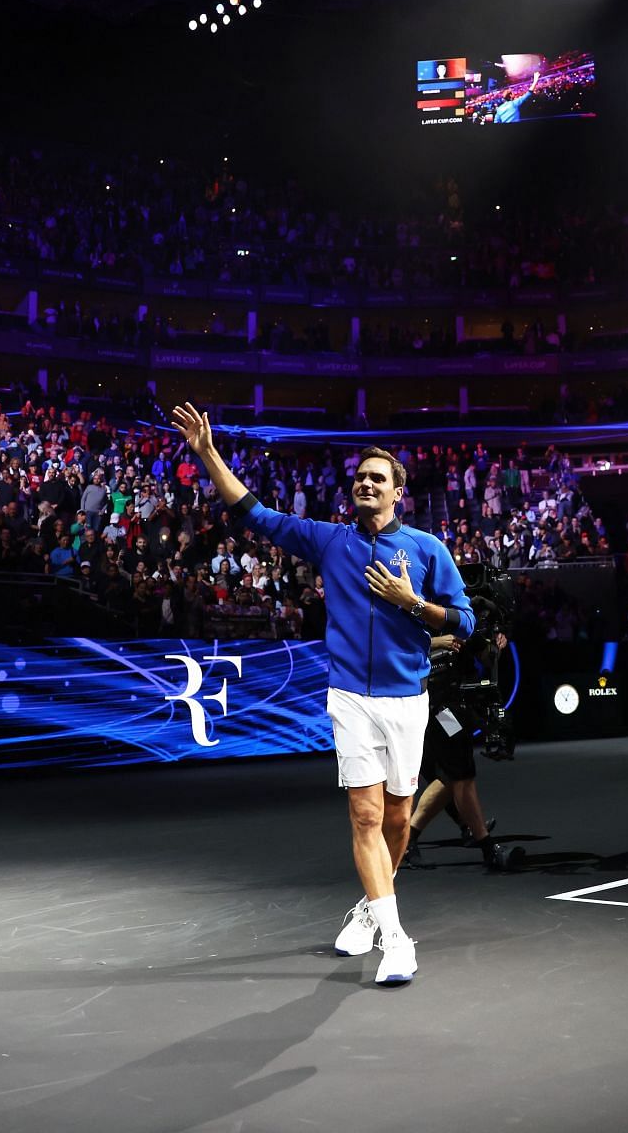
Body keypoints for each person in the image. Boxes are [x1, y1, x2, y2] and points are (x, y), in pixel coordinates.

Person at [171, 402, 473, 985]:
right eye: (359, 477)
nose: (364, 482)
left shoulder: (429, 550)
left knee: (396, 819)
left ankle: (369, 906)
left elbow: (465, 624)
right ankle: (396, 939)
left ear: (397, 493)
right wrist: (208, 452)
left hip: (407, 699)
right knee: (364, 814)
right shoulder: (329, 540)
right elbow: (253, 512)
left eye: (376, 478)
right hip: (349, 698)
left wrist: (412, 604)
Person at [405, 629, 509, 867]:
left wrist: (495, 646)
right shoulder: (414, 608)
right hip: (432, 705)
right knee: (459, 773)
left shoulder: (461, 616)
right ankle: (486, 846)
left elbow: (487, 657)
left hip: (458, 703)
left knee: (452, 776)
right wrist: (434, 642)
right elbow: (394, 644)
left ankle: (408, 839)